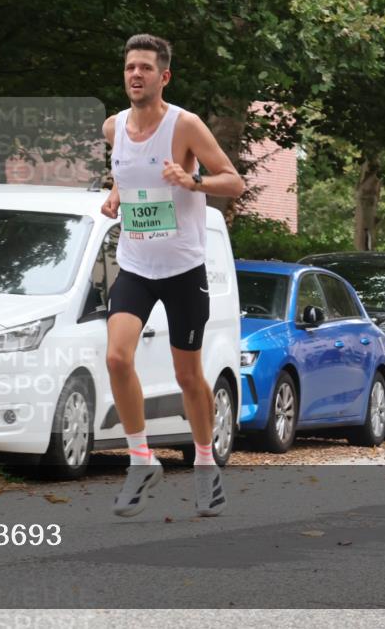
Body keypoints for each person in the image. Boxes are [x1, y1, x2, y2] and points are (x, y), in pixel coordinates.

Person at [101, 34, 245, 518]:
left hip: (184, 269)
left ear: (164, 76)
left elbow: (235, 180)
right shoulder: (112, 128)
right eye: (129, 68)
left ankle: (205, 465)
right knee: (117, 358)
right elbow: (127, 172)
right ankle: (141, 460)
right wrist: (117, 195)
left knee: (188, 375)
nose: (135, 75)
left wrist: (193, 180)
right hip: (137, 265)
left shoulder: (186, 126)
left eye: (144, 67)